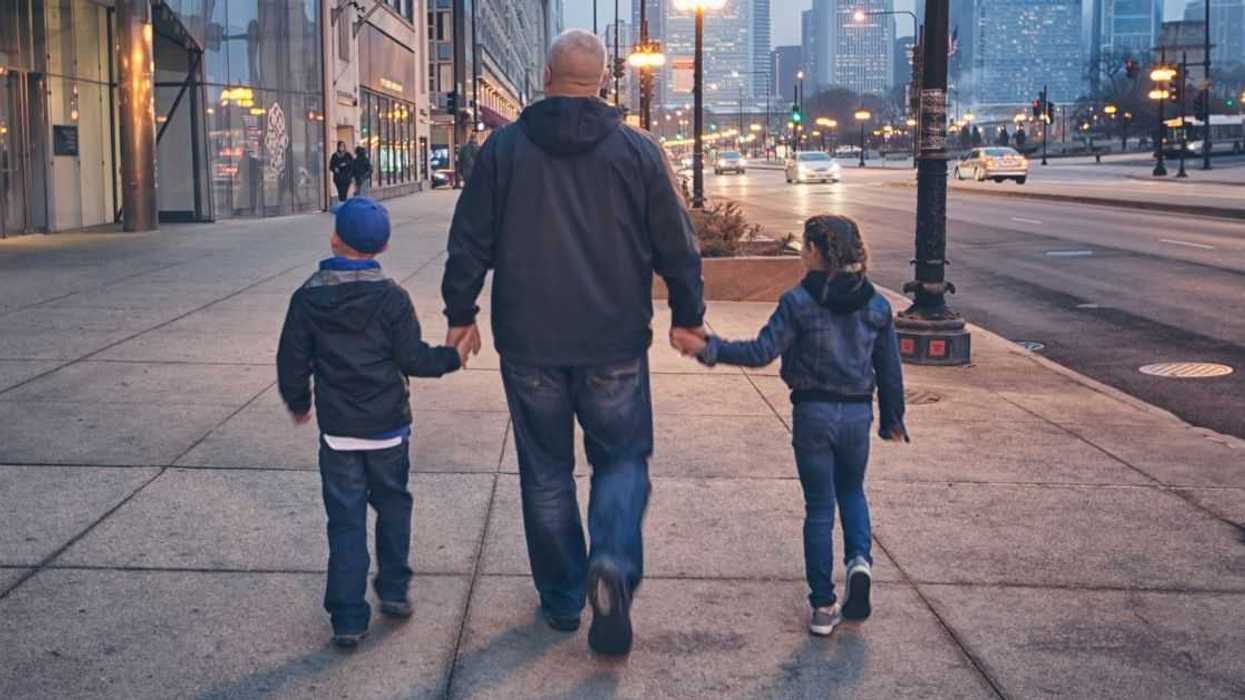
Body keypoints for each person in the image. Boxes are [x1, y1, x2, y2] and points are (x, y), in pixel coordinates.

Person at [440, 29, 705, 656]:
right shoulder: (637, 152)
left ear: (546, 78)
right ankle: (610, 561)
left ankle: (562, 601)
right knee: (620, 460)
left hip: (529, 341)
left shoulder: (502, 150)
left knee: (546, 473)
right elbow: (678, 243)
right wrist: (687, 315)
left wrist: (460, 313)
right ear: (606, 81)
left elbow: (468, 239)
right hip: (613, 340)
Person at [672, 215, 907, 638]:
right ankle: (859, 563)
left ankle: (822, 607)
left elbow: (761, 351)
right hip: (857, 414)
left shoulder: (797, 302)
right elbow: (889, 369)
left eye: (804, 248)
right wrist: (892, 419)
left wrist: (706, 348)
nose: (801, 255)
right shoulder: (876, 305)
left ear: (816, 253)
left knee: (819, 508)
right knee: (851, 491)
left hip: (812, 414)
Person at [277, 197, 470, 648]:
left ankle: (347, 616)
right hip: (387, 430)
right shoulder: (391, 299)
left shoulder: (307, 297)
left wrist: (298, 400)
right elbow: (412, 358)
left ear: (334, 239)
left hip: (339, 434)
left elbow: (292, 358)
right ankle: (395, 589)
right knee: (394, 505)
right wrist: (451, 358)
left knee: (344, 521)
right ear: (383, 247)